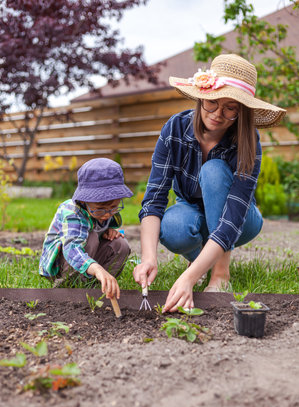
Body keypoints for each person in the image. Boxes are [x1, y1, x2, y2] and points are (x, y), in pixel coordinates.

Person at [133, 53, 286, 312]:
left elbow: (231, 218)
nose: (218, 114)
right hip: (193, 211)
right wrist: (149, 258)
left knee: (213, 171)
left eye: (230, 108)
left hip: (241, 219)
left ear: (242, 112)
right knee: (171, 227)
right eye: (212, 103)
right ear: (201, 96)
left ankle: (220, 273)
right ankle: (202, 264)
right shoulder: (175, 129)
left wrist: (188, 278)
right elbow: (154, 199)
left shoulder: (247, 140)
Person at [39, 158, 133, 299]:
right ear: (83, 201)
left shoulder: (104, 211)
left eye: (113, 208)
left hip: (88, 260)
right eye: (100, 210)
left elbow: (104, 225)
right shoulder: (72, 212)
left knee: (121, 244)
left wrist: (110, 231)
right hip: (63, 264)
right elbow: (71, 248)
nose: (107, 214)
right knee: (92, 238)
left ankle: (99, 287)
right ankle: (68, 285)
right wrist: (96, 268)